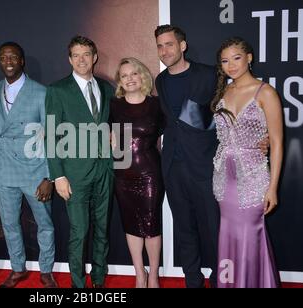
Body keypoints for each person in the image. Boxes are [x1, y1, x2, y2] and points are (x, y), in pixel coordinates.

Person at [211, 37, 282, 288]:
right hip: (223, 179)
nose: (231, 65)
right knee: (228, 235)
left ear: (249, 58)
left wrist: (272, 187)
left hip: (253, 177)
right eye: (225, 61)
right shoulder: (223, 91)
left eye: (236, 58)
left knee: (251, 235)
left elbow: (277, 142)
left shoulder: (266, 93)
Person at [45, 35, 114, 288]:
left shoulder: (107, 88)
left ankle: (98, 280)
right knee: (79, 232)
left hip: (104, 171)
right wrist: (58, 176)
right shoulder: (58, 90)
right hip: (73, 174)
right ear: (69, 59)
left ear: (94, 57)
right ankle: (78, 285)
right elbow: (50, 135)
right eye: (76, 55)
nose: (82, 59)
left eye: (86, 54)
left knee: (102, 231)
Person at [154, 25, 220, 287]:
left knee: (214, 228)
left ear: (183, 46)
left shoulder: (209, 74)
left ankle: (219, 278)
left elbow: (227, 112)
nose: (164, 50)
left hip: (205, 165)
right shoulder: (160, 80)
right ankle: (192, 279)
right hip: (172, 165)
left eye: (169, 44)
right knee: (184, 228)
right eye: (160, 45)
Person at [0, 42, 57, 288]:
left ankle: (46, 270)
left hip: (35, 171)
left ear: (22, 61)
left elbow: (51, 135)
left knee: (45, 224)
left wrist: (49, 177)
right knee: (9, 224)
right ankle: (17, 268)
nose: (8, 61)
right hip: (4, 169)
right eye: (3, 57)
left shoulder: (41, 92)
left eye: (13, 56)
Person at [110, 57, 165, 288]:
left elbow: (165, 138)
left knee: (152, 226)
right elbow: (110, 137)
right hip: (123, 175)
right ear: (120, 81)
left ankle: (153, 274)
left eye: (134, 73)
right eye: (124, 75)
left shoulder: (156, 104)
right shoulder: (114, 105)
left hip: (150, 173)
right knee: (131, 225)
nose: (130, 79)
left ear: (142, 75)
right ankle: (139, 274)